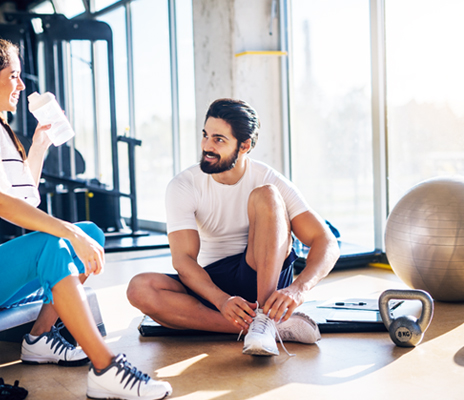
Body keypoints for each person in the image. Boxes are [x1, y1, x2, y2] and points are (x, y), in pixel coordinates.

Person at [0, 31, 171, 400]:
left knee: (92, 232)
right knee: (57, 242)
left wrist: (38, 146)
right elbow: (1, 205)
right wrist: (69, 233)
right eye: (14, 76)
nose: (21, 85)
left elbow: (23, 197)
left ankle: (39, 339)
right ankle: (106, 368)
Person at [127, 98, 340, 357]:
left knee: (267, 196)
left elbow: (326, 241)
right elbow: (183, 260)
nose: (206, 146)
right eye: (205, 135)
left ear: (245, 145)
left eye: (219, 140)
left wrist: (298, 289)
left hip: (264, 278)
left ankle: (265, 318)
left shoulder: (268, 178)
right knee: (140, 289)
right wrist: (221, 300)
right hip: (214, 284)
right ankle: (269, 327)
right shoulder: (184, 185)